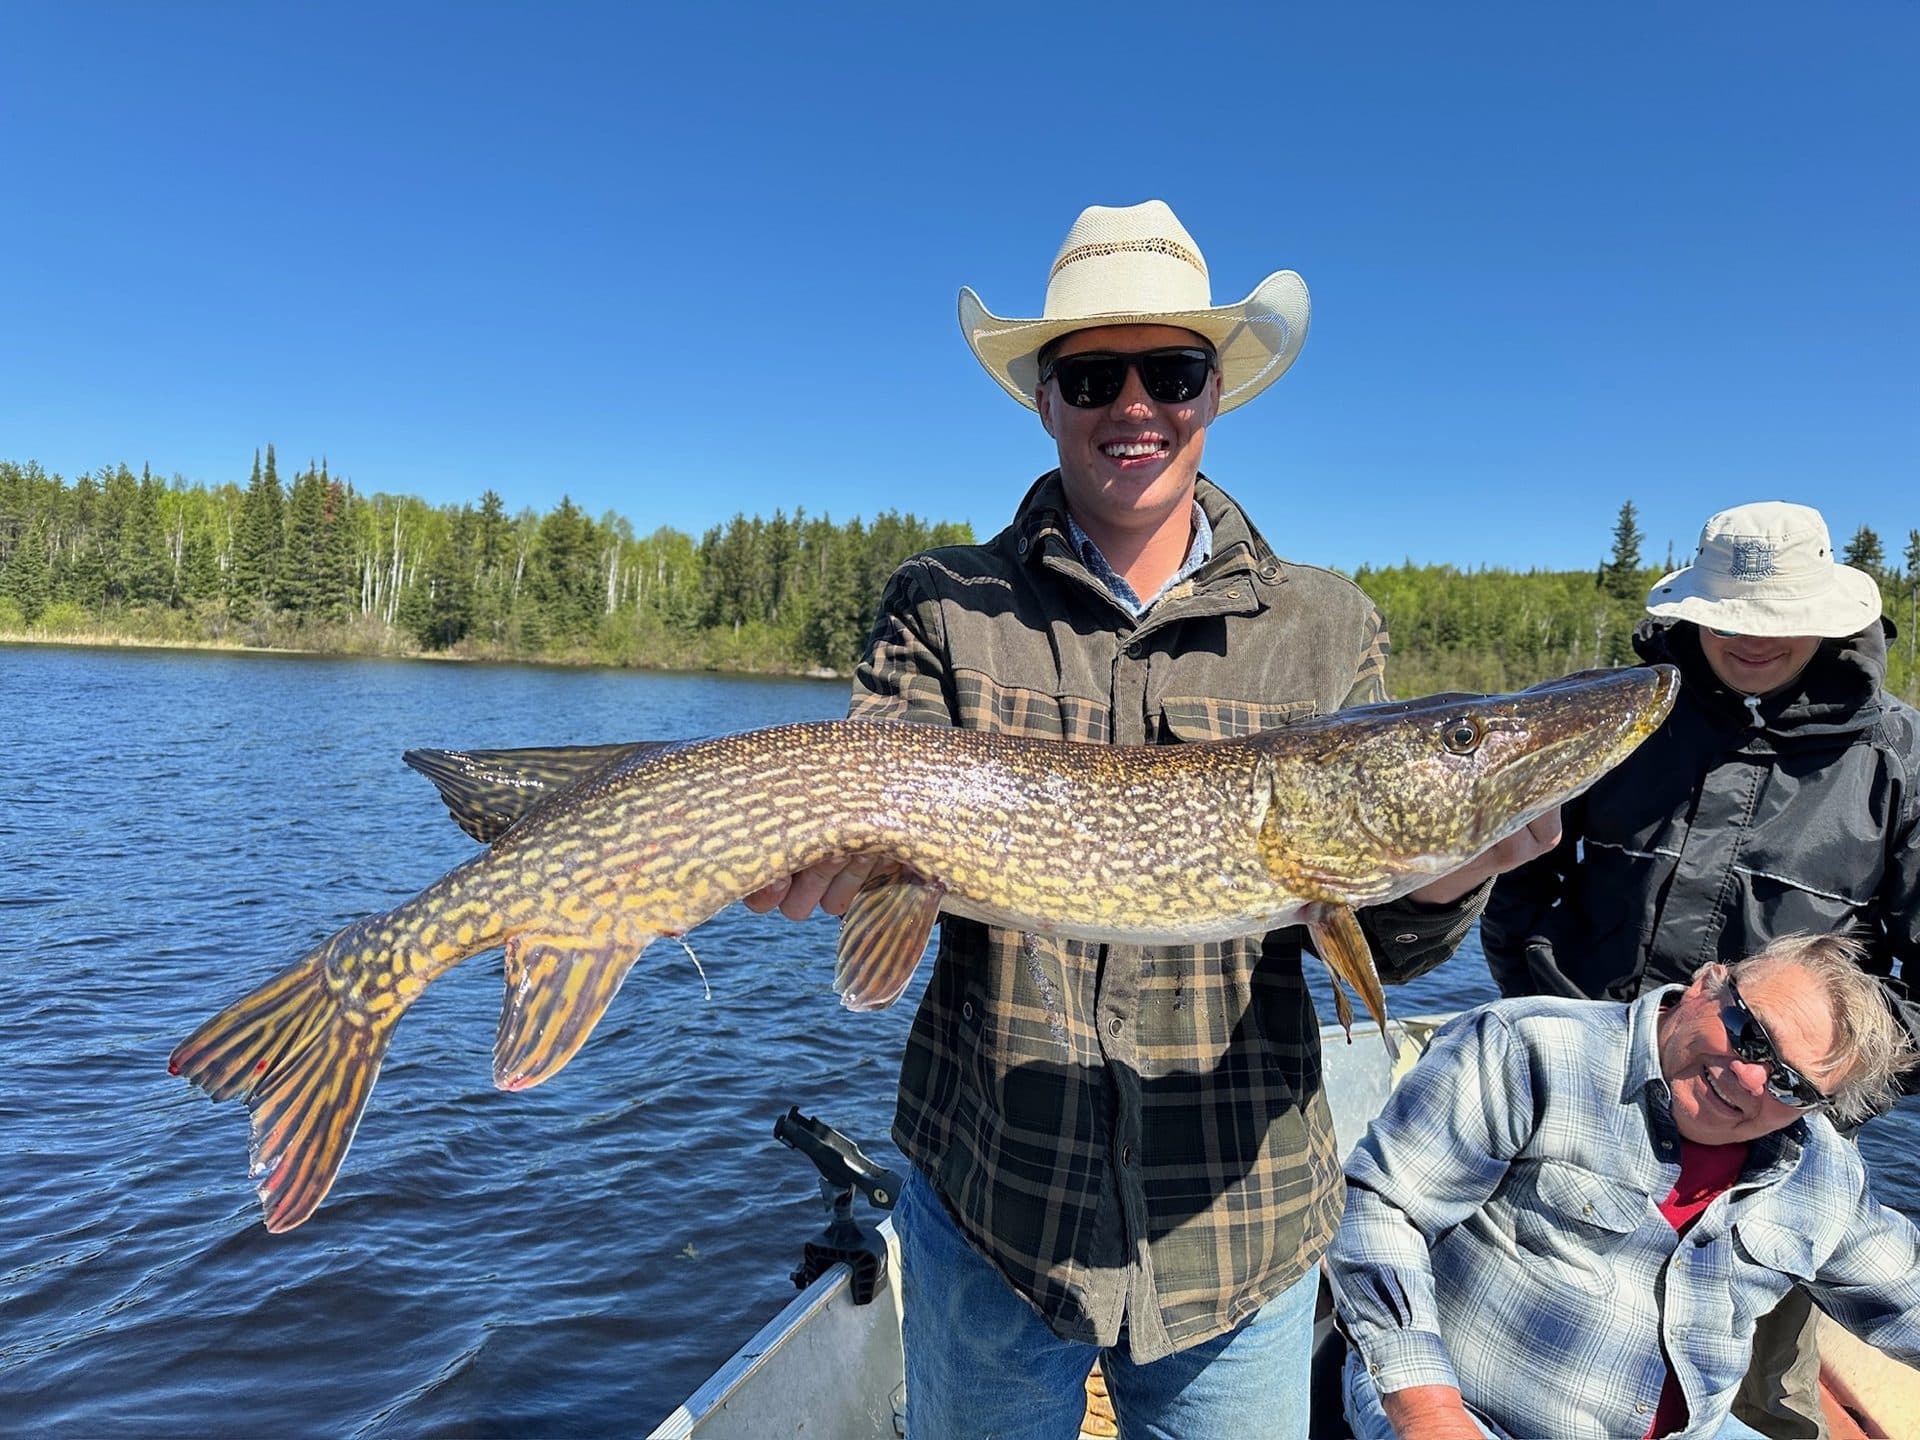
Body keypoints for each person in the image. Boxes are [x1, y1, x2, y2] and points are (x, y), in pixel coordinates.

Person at [745, 199, 1557, 1438]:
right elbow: (871, 830)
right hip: (996, 1205)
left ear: (1214, 390)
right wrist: (829, 872)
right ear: (1046, 399)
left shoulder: (1325, 626)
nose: (1133, 406)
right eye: (1092, 377)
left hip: (1234, 1224)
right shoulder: (945, 603)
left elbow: (1377, 946)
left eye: (1169, 372)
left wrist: (1448, 876)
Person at [1481, 499, 1920, 1436]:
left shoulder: (1899, 762)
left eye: (1776, 619)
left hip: (1772, 1137)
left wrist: (1803, 1095)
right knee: (1538, 1341)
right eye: (1730, 618)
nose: (1751, 641)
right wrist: (1549, 1021)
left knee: (1764, 1386)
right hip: (1586, 1096)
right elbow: (1519, 881)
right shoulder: (1614, 721)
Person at [1329, 933, 1920, 1440]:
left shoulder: (1822, 1171)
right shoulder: (1528, 1046)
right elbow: (1383, 1209)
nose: (1749, 1077)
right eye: (1750, 1035)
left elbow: (1904, 1296)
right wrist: (1432, 1415)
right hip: (1468, 1412)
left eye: (1790, 1085)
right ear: (1706, 985)